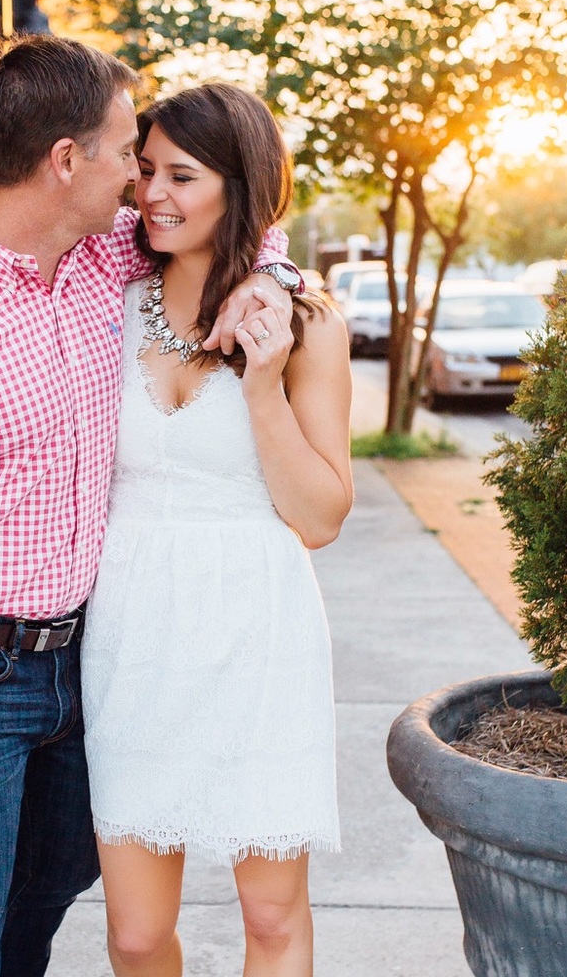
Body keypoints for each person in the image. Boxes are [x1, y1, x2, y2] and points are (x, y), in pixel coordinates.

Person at [0, 36, 301, 977]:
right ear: (66, 161)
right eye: (126, 155)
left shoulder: (100, 261)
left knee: (49, 899)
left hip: (86, 662)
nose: (140, 182)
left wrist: (269, 277)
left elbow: (233, 220)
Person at [80, 85, 352, 976]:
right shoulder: (105, 303)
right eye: (145, 170)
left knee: (272, 919)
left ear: (242, 185)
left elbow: (318, 518)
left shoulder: (305, 322)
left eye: (182, 175)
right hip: (132, 628)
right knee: (134, 932)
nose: (153, 193)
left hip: (258, 628)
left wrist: (264, 384)